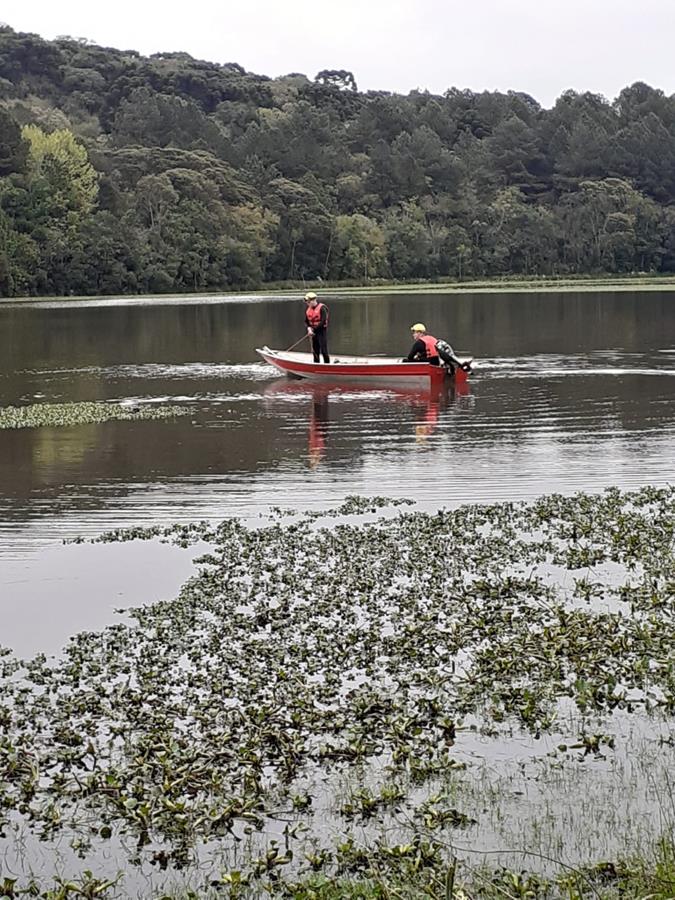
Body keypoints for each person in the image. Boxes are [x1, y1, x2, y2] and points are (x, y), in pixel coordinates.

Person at [304, 292, 330, 363]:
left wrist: (313, 329)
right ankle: (316, 364)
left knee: (324, 350)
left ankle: (327, 365)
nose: (307, 304)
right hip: (313, 332)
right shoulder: (308, 309)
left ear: (313, 300)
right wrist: (309, 328)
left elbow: (323, 321)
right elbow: (306, 321)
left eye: (309, 302)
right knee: (315, 350)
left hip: (321, 331)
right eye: (307, 302)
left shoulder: (322, 308)